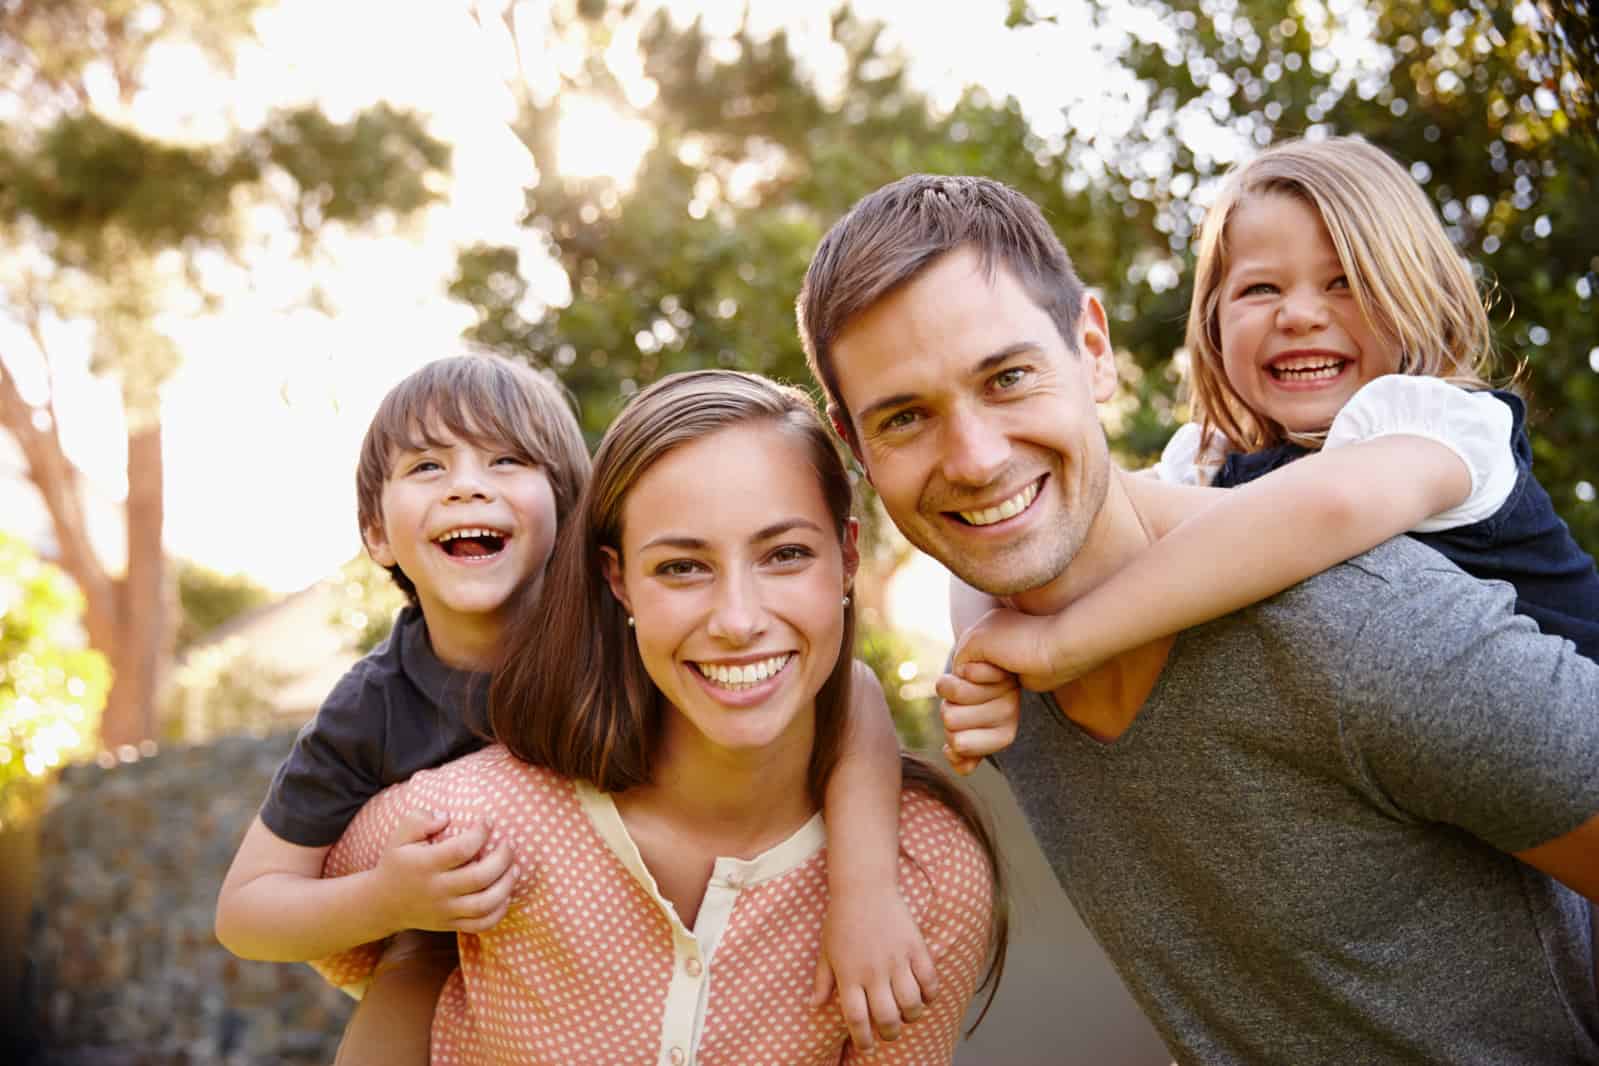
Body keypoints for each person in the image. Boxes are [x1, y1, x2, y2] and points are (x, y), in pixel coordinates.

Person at [797, 172, 1599, 1062]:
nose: (977, 459)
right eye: (905, 417)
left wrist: (1054, 642)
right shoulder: (1005, 670)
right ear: (855, 448)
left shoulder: (1362, 627)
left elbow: (1327, 512)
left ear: (1092, 350)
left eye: (1009, 376)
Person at [214, 355, 933, 1051]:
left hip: (628, 918)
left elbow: (850, 699)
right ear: (376, 533)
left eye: (507, 461)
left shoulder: (626, 633)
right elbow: (246, 912)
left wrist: (865, 891)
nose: (468, 488)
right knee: (411, 968)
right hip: (455, 931)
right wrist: (389, 902)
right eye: (427, 466)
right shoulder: (369, 707)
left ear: (571, 514)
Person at [938, 137, 1598, 770]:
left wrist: (1060, 643)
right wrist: (984, 658)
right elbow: (1043, 527)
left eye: (1344, 283)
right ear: (1213, 321)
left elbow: (1328, 505)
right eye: (1260, 289)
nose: (1300, 315)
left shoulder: (1442, 426)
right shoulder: (1204, 459)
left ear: (1416, 297)